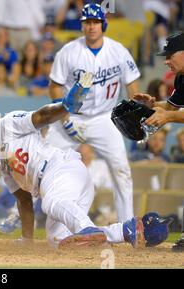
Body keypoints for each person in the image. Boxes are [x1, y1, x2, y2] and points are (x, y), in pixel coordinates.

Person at [0, 95, 159, 248]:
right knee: (58, 241)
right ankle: (126, 230)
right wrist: (28, 240)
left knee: (52, 203)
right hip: (59, 187)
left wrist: (65, 105)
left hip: (61, 170)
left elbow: (41, 117)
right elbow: (24, 199)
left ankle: (86, 228)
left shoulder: (7, 123)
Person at [46, 4, 141, 223]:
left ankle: (127, 227)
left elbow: (132, 86)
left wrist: (137, 117)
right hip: (72, 115)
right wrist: (65, 118)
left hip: (104, 119)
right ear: (82, 25)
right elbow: (55, 87)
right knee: (44, 164)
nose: (91, 26)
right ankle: (19, 215)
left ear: (103, 24)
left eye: (95, 22)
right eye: (87, 22)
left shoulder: (118, 51)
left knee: (122, 171)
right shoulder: (68, 51)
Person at [133, 31, 184, 252]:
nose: (166, 60)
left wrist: (168, 117)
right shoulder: (182, 77)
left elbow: (172, 115)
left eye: (170, 54)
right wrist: (155, 105)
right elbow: (173, 107)